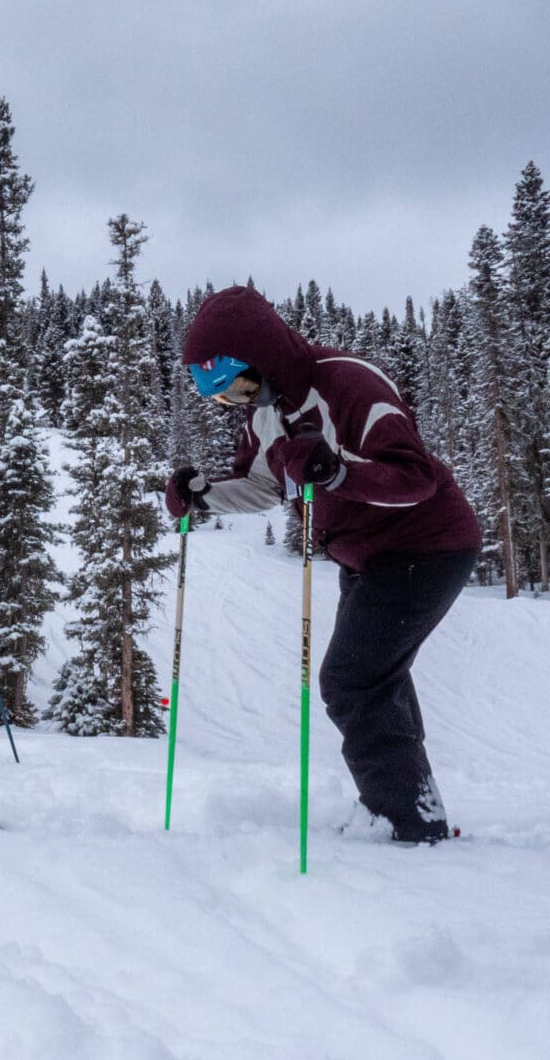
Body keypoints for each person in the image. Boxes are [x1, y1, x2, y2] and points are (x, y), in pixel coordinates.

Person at [170, 285, 482, 844]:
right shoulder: (266, 414)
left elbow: (415, 478)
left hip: (426, 543)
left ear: (263, 356)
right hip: (367, 556)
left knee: (353, 679)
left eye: (240, 385)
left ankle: (408, 822)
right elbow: (264, 486)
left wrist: (337, 472)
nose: (239, 402)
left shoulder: (349, 383)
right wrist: (202, 495)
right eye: (221, 399)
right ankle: (408, 806)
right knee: (375, 677)